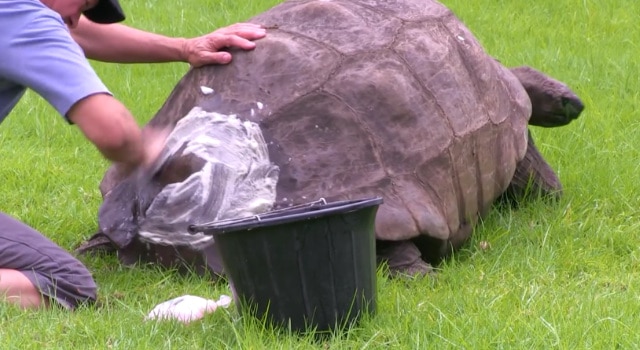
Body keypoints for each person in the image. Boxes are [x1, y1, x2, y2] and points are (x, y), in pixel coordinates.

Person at [0, 0, 266, 309]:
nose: (74, 20)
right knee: (67, 284)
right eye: (85, 3)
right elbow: (112, 131)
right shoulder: (26, 18)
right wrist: (148, 152)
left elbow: (75, 32)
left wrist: (184, 48)